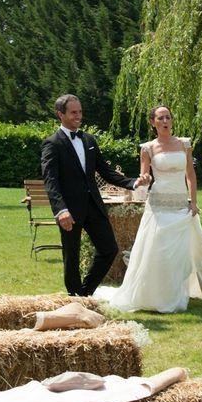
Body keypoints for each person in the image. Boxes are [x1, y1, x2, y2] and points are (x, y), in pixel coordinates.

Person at [93, 105, 202, 312]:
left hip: (179, 203)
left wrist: (193, 201)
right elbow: (144, 175)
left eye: (168, 117)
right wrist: (144, 179)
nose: (165, 121)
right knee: (158, 250)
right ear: (153, 122)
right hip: (158, 204)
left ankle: (174, 292)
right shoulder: (147, 148)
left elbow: (190, 175)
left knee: (179, 252)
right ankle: (152, 294)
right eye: (160, 118)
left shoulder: (184, 144)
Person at [41, 94, 151, 297]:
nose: (78, 116)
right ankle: (75, 299)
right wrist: (61, 210)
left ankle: (84, 294)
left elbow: (105, 171)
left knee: (109, 249)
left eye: (80, 112)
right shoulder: (52, 144)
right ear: (60, 115)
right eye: (73, 112)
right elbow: (51, 181)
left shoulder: (88, 140)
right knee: (71, 257)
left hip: (94, 205)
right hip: (69, 211)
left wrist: (133, 183)